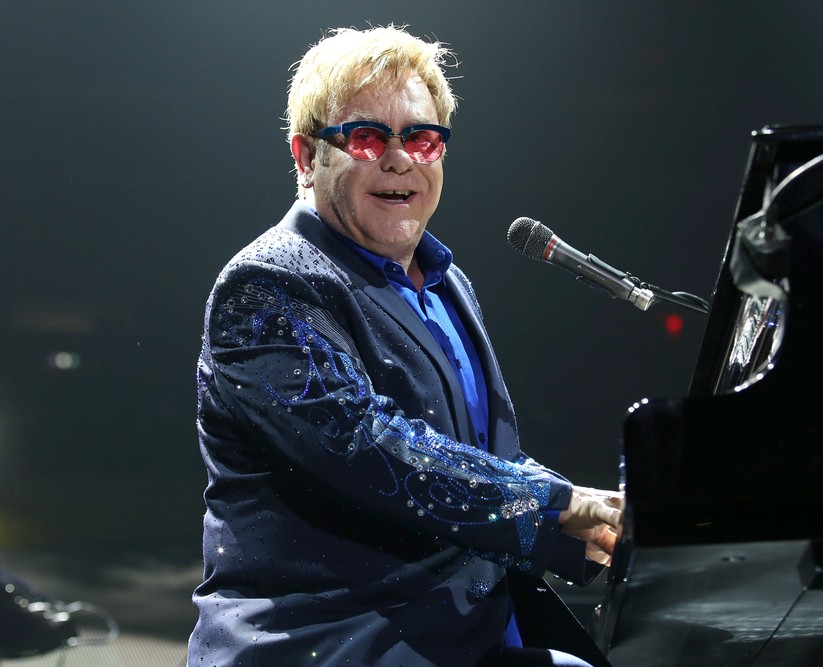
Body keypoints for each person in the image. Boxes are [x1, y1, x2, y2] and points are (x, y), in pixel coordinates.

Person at [188, 25, 623, 667]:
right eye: (367, 137)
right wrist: (557, 505)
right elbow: (367, 448)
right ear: (306, 156)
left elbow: (479, 455)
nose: (400, 160)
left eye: (421, 138)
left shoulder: (448, 284)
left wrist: (592, 522)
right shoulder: (267, 284)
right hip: (329, 642)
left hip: (461, 633)